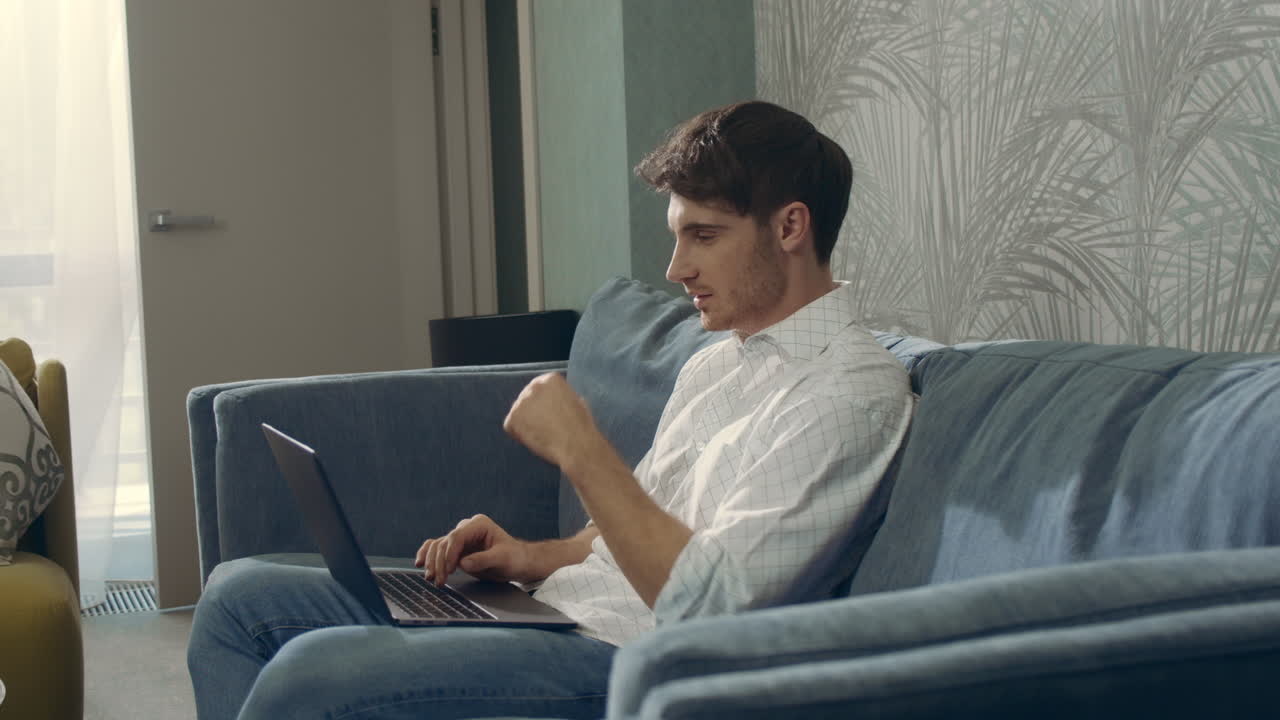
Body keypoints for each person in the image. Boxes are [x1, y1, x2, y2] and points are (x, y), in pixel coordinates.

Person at [187, 100, 914, 720]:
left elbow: (709, 613)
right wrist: (529, 559)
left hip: (629, 662)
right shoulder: (720, 361)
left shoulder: (849, 393)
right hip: (559, 614)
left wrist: (583, 450)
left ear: (791, 228)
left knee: (309, 676)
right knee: (235, 597)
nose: (676, 269)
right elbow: (635, 533)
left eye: (704, 236)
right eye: (676, 236)